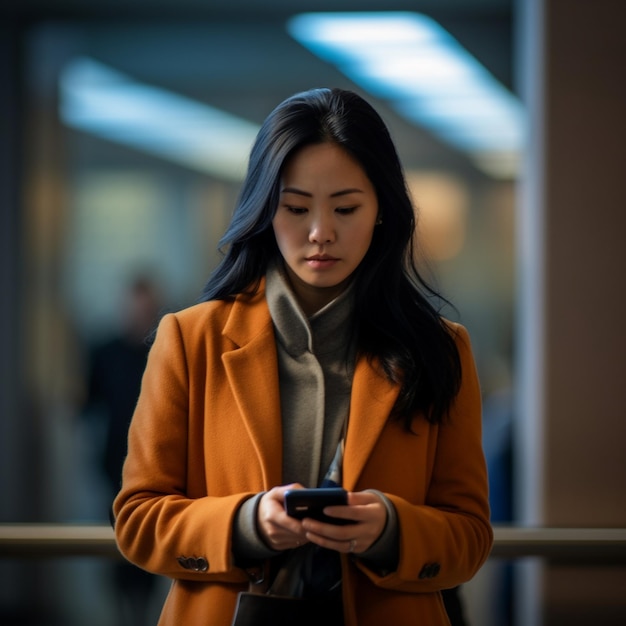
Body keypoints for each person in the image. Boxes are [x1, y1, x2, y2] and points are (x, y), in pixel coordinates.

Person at [113, 88, 493, 626]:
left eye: (346, 208)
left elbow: (471, 534)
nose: (321, 233)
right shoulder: (191, 339)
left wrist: (390, 529)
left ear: (382, 209)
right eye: (295, 208)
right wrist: (247, 524)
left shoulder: (438, 347)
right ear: (265, 211)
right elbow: (137, 519)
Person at [84, 275, 163, 625]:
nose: (139, 314)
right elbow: (88, 405)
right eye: (134, 307)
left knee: (149, 543)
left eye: (145, 308)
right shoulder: (104, 352)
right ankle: (122, 615)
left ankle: (143, 614)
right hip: (113, 463)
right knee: (116, 545)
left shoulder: (162, 350)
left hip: (157, 463)